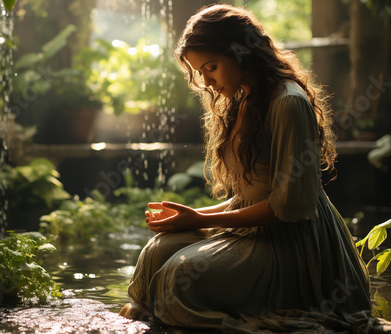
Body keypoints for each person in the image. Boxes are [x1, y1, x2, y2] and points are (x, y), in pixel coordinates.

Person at [119, 4, 391, 332]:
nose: (206, 82)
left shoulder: (288, 103)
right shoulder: (240, 100)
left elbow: (288, 207)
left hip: (292, 245)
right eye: (199, 73)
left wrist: (201, 219)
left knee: (179, 278)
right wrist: (189, 217)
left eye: (211, 67)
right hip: (252, 231)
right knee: (155, 254)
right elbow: (246, 198)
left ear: (240, 52)